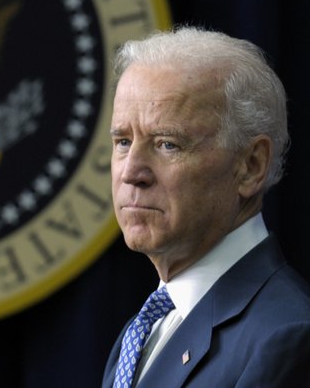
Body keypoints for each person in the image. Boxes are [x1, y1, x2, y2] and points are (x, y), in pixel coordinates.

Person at [101, 27, 310, 387]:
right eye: (122, 141)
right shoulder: (146, 328)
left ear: (250, 166)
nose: (131, 172)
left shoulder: (286, 337)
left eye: (167, 144)